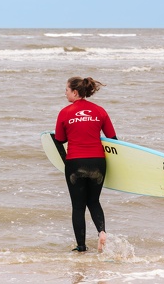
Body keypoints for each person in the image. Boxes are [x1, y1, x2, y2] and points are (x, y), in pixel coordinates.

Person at [54, 76, 117, 253]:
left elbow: (59, 139)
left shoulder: (65, 112)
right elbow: (113, 139)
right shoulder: (100, 111)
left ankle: (81, 247)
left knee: (78, 206)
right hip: (98, 162)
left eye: (66, 90)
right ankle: (102, 232)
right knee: (94, 201)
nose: (64, 93)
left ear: (75, 92)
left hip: (75, 162)